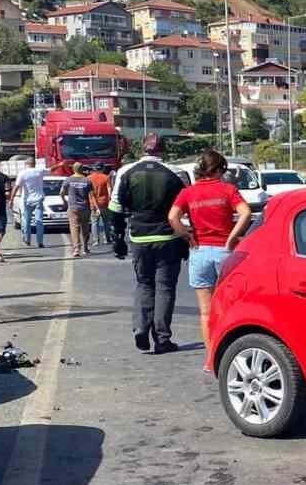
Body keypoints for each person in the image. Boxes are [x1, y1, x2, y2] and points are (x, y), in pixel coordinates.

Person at [168, 148, 252, 365]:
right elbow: (245, 213)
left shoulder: (188, 193)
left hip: (200, 252)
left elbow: (173, 217)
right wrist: (232, 238)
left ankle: (211, 358)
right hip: (225, 252)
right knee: (231, 307)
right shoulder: (227, 190)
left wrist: (186, 235)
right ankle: (230, 357)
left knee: (206, 311)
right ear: (219, 169)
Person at [109, 134, 187, 354]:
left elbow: (115, 209)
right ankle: (162, 339)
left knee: (144, 284)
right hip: (168, 237)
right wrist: (187, 238)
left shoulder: (125, 172)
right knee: (165, 288)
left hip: (139, 237)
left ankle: (141, 327)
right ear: (163, 150)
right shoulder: (176, 173)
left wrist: (118, 239)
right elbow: (186, 208)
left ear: (142, 149)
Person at [9, 158, 48, 248]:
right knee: (39, 220)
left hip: (27, 200)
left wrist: (11, 199)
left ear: (26, 164)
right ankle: (40, 242)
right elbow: (52, 169)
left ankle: (27, 239)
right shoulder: (40, 171)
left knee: (26, 220)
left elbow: (16, 187)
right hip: (38, 199)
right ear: (34, 164)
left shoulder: (22, 173)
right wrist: (60, 165)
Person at [61, 164, 94, 257]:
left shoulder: (68, 180)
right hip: (85, 207)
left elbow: (61, 192)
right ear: (82, 170)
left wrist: (64, 201)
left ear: (73, 169)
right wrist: (93, 206)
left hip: (73, 207)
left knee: (74, 227)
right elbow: (91, 195)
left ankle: (76, 249)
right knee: (85, 227)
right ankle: (85, 247)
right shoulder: (87, 180)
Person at [88, 164, 113, 246]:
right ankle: (107, 239)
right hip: (104, 203)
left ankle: (96, 241)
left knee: (94, 222)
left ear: (94, 169)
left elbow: (88, 192)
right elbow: (109, 190)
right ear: (102, 169)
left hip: (93, 203)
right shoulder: (106, 177)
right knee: (106, 222)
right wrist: (110, 200)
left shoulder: (89, 178)